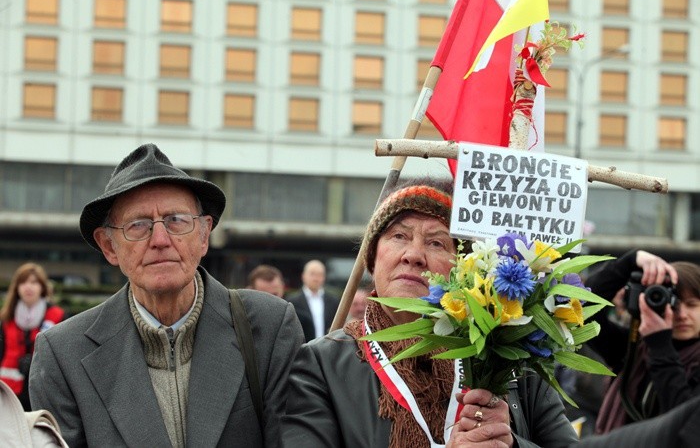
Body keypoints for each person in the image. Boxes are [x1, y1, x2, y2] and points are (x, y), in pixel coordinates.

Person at [28, 143, 304, 447]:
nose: (160, 239)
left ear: (203, 235)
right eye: (138, 225)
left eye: (176, 220)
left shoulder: (268, 327)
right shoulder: (64, 354)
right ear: (109, 246)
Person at [282, 177, 578, 448]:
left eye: (436, 242)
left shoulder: (510, 357)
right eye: (399, 236)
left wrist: (510, 444)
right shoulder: (321, 365)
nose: (413, 255)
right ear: (372, 258)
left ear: (463, 267)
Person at [585, 249, 700, 434]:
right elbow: (583, 313)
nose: (682, 314)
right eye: (673, 303)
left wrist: (660, 345)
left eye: (692, 304)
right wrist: (629, 263)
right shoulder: (634, 348)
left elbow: (688, 425)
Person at [0, 262, 65, 410]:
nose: (28, 287)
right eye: (23, 282)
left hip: (43, 392)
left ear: (42, 287)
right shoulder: (6, 319)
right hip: (9, 394)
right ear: (16, 287)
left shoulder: (57, 316)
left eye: (34, 282)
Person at [288, 259, 340, 342]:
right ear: (303, 276)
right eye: (312, 274)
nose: (316, 278)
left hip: (327, 347)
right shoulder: (292, 301)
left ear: (324, 277)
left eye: (320, 274)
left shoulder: (333, 301)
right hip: (302, 348)